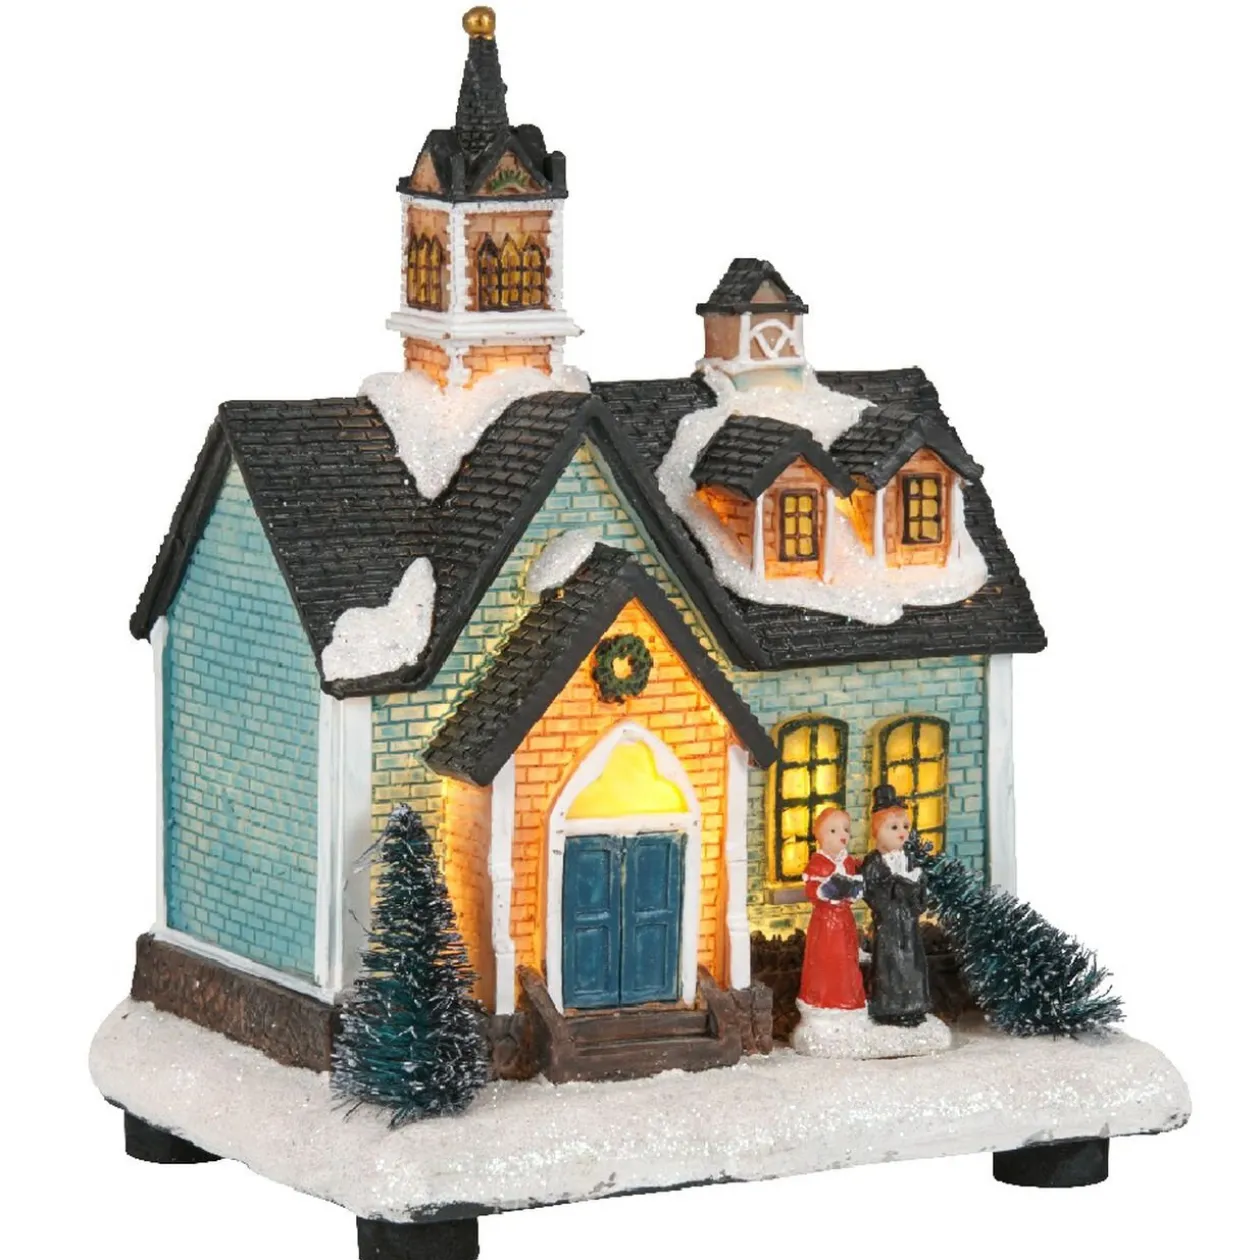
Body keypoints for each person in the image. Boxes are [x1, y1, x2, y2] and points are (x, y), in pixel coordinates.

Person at [861, 784, 931, 1026]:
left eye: (905, 827)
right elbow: (872, 893)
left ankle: (914, 1005)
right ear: (877, 831)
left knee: (912, 963)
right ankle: (889, 1008)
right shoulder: (873, 863)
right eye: (893, 827)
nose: (902, 833)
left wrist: (915, 888)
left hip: (909, 924)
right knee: (890, 965)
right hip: (889, 925)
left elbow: (921, 896)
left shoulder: (910, 860)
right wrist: (898, 886)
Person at [799, 807, 866, 1010]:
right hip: (826, 921)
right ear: (820, 836)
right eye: (834, 831)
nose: (842, 835)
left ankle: (847, 997)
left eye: (846, 829)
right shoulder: (818, 863)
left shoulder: (848, 862)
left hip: (844, 919)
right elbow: (812, 890)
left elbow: (853, 889)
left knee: (846, 958)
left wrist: (854, 891)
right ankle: (823, 999)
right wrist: (825, 891)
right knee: (827, 958)